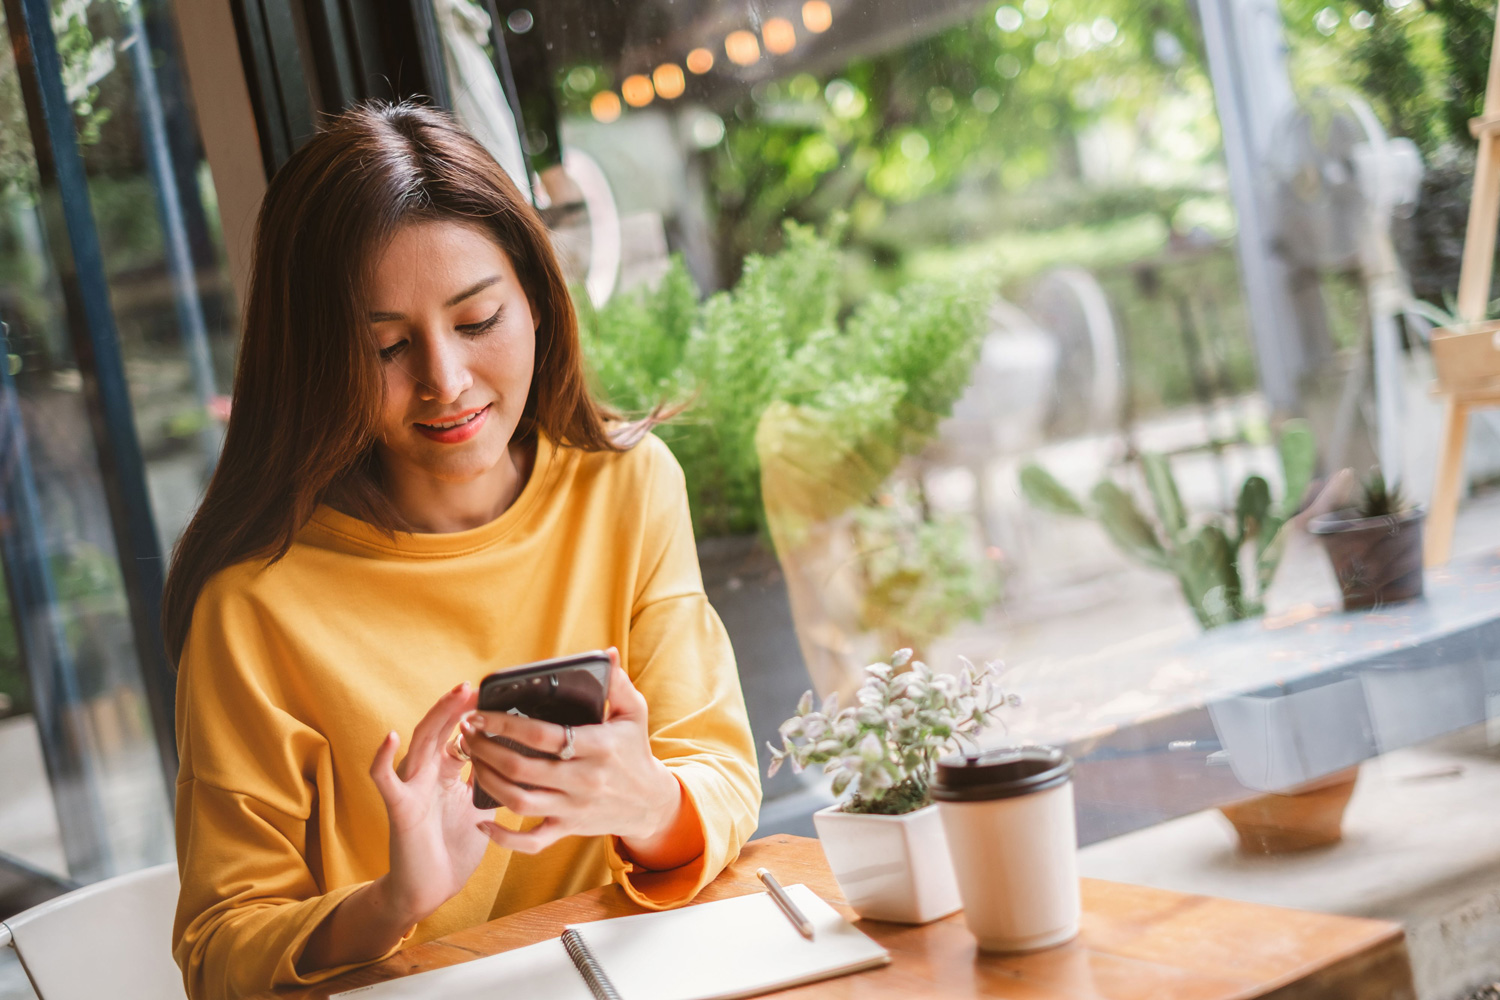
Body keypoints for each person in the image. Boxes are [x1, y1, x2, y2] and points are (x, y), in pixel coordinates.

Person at [165, 101, 761, 1000]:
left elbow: (716, 770)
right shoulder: (255, 605)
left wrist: (645, 802)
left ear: (534, 299)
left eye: (478, 320)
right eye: (389, 347)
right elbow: (218, 948)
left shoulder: (627, 489)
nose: (445, 382)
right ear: (317, 359)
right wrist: (392, 900)